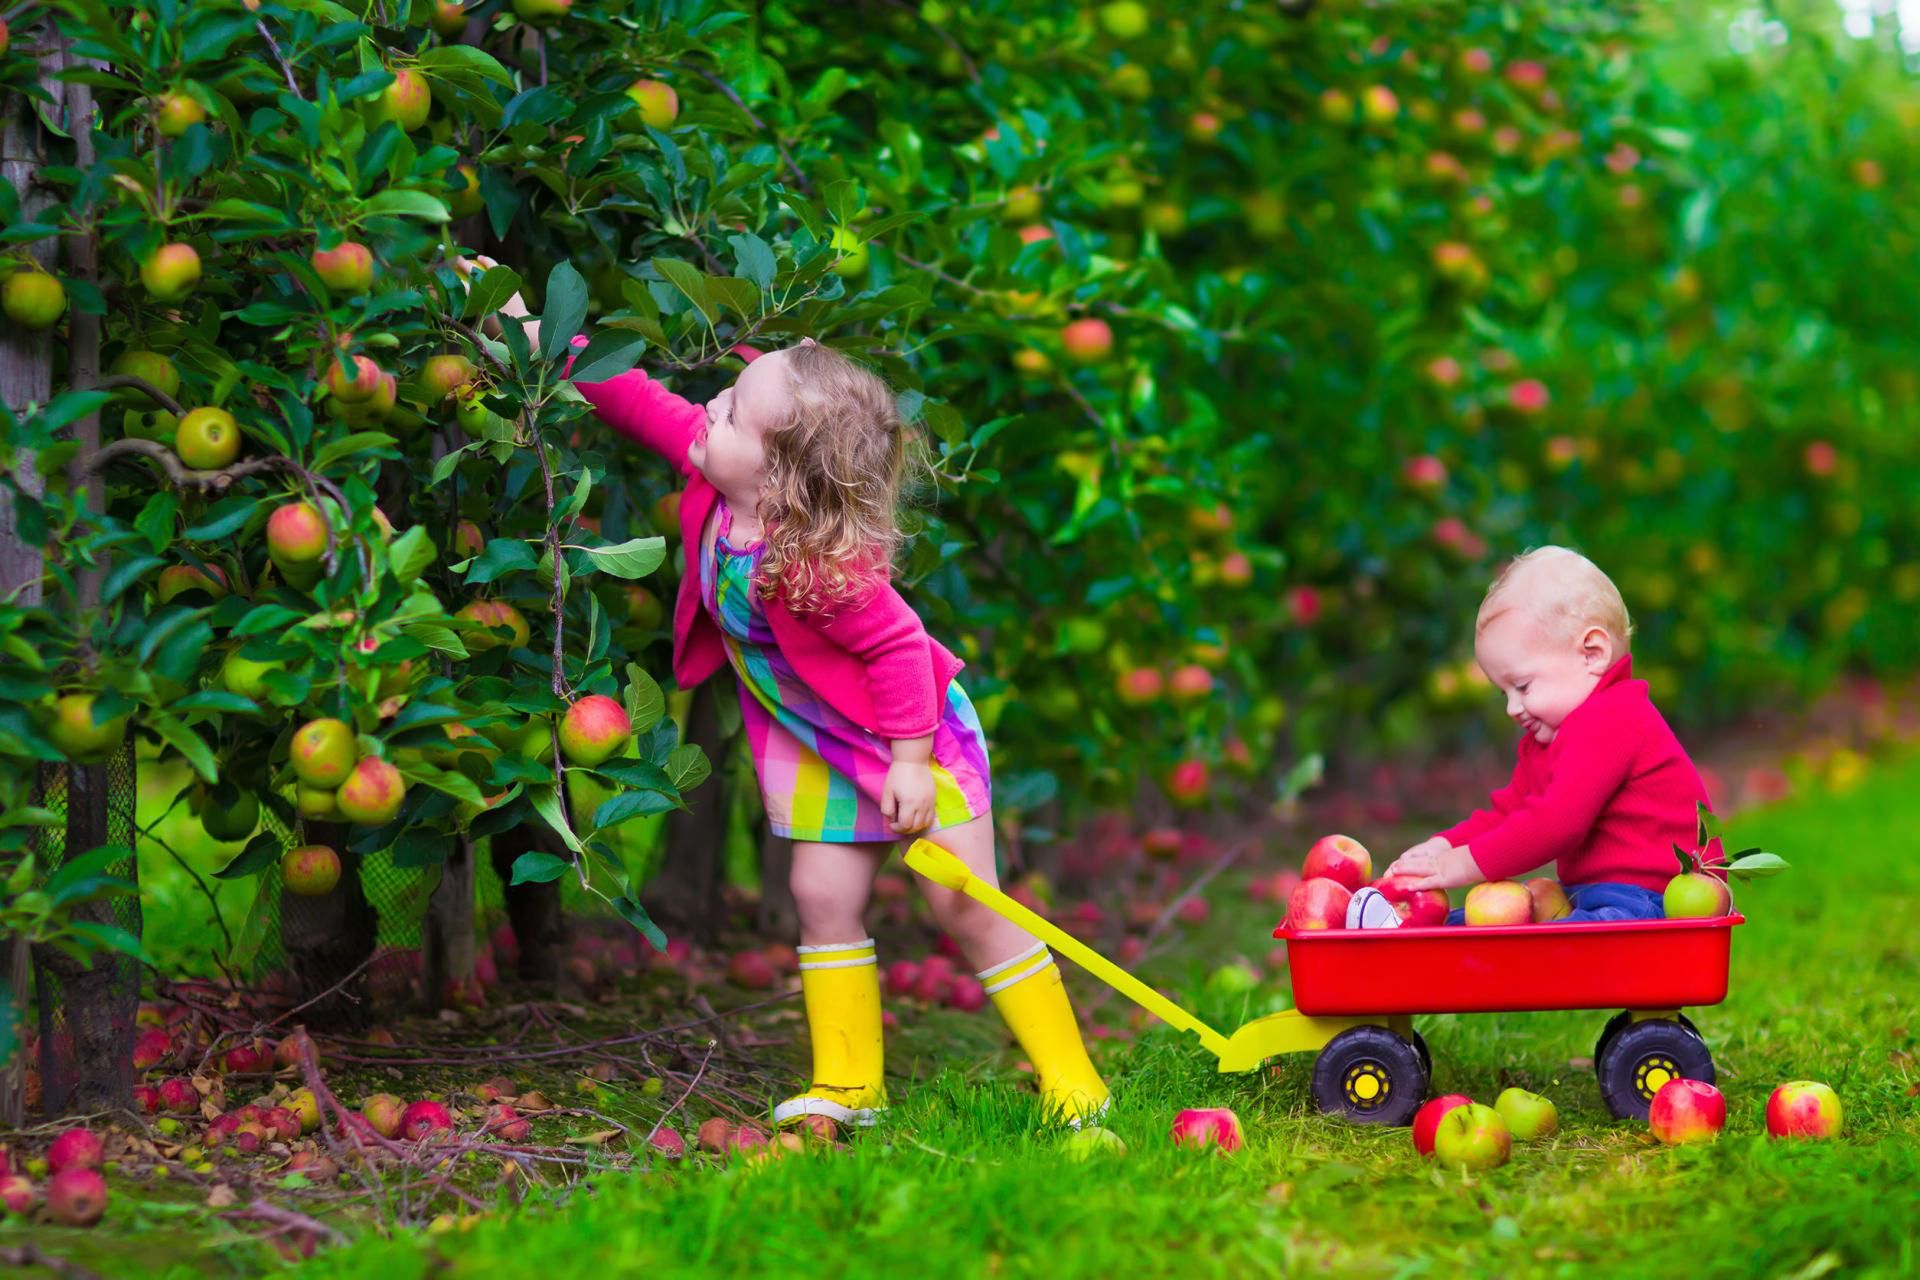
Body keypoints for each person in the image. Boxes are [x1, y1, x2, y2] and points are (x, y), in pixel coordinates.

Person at [543, 322, 1107, 1128]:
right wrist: (545, 339)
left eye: (732, 411)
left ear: (781, 479)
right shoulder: (717, 476)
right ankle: (850, 1084)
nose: (710, 406)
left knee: (967, 905)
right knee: (820, 894)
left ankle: (1074, 1082)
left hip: (909, 739)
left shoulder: (823, 568)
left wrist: (909, 764)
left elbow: (902, 650)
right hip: (814, 743)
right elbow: (638, 402)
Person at [1351, 546, 1715, 928]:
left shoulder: (1614, 717)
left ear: (1592, 654)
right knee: (1493, 926)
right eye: (1504, 693)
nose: (1512, 707)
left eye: (1523, 686)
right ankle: (1403, 926)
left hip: (1650, 901)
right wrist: (1443, 847)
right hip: (1590, 897)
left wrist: (1458, 864)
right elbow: (1508, 814)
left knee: (1560, 941)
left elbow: (1556, 823)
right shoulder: (1551, 740)